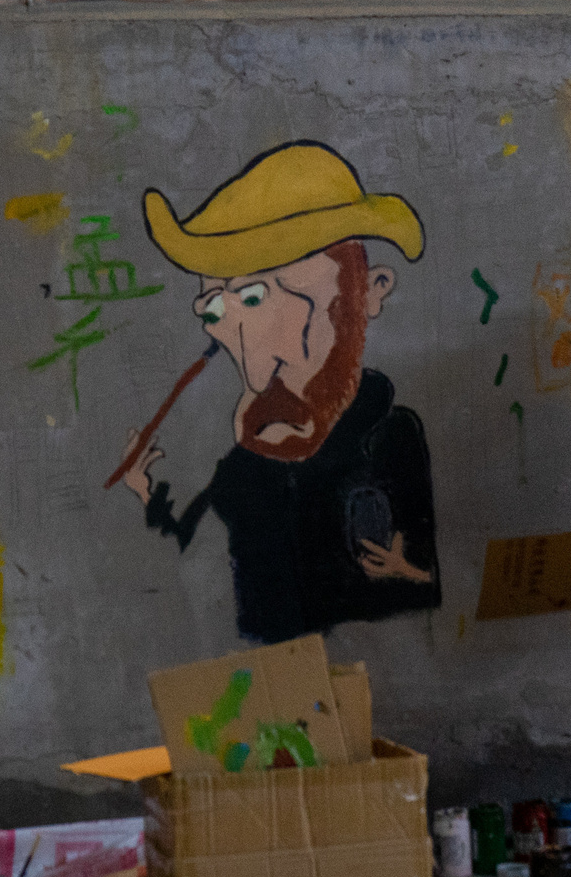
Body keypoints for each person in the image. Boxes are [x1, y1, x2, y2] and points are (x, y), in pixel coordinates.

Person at [120, 142, 441, 643]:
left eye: (286, 304)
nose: (259, 365)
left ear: (372, 291)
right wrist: (149, 498)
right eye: (220, 313)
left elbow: (431, 587)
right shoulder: (242, 466)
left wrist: (411, 575)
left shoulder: (392, 438)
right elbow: (193, 550)